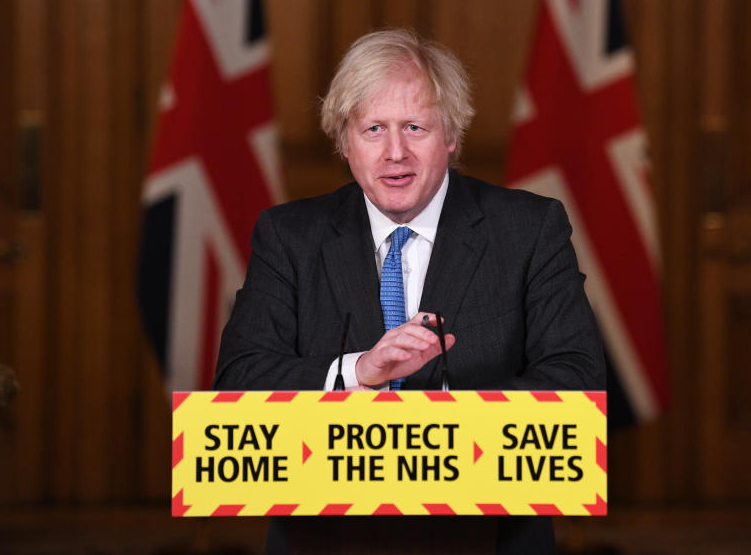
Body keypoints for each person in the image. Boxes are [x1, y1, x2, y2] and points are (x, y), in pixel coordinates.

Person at [214, 29, 605, 554]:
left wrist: (438, 436)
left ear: (451, 136)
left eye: (415, 127)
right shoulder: (290, 237)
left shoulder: (529, 230)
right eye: (373, 128)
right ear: (344, 141)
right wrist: (358, 372)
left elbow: (576, 380)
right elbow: (239, 382)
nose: (395, 152)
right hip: (326, 538)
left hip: (489, 536)